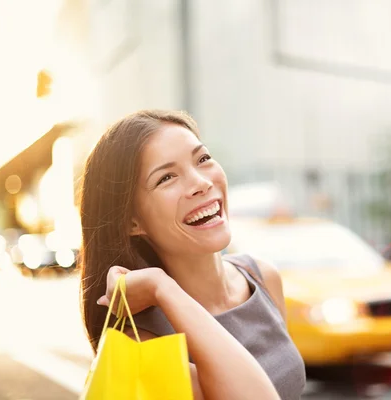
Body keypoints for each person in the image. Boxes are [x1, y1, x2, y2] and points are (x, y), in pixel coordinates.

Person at [78, 110, 306, 400]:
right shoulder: (143, 341)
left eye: (203, 159)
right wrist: (162, 288)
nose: (201, 182)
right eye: (167, 177)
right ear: (131, 222)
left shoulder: (262, 277)